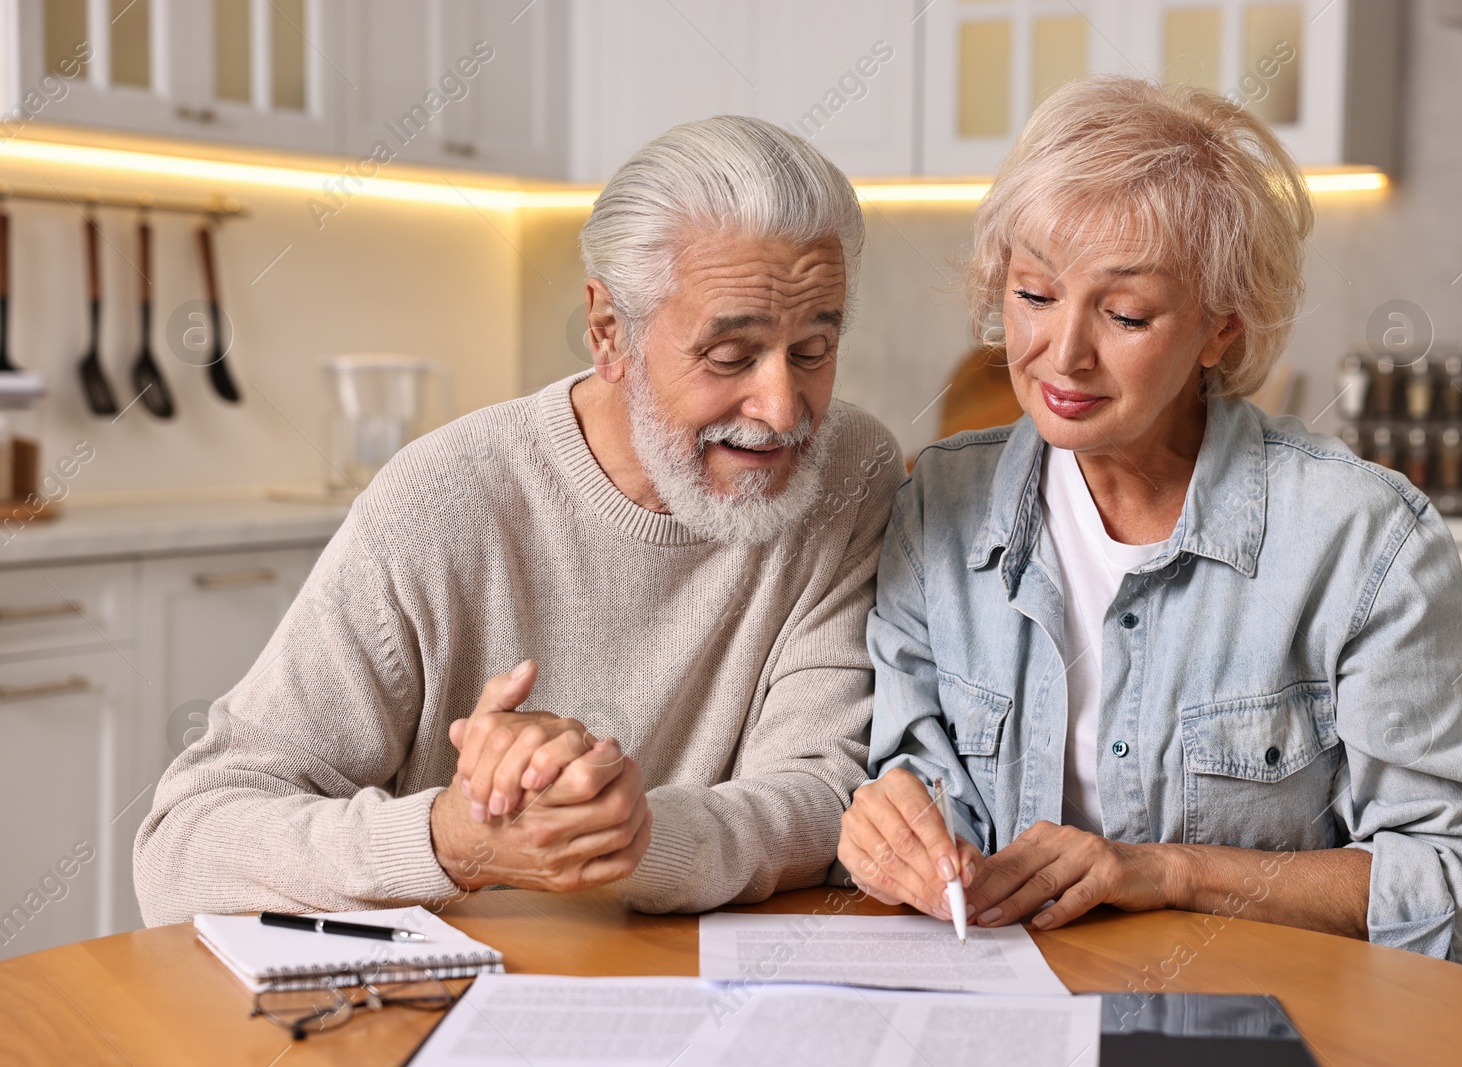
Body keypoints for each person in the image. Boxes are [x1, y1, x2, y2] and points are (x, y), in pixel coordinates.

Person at [836, 76, 1462, 972]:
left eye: (1125, 313)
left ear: (1220, 326)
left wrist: (1167, 871)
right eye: (1033, 295)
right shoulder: (938, 506)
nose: (1063, 353)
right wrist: (892, 825)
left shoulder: (1361, 538)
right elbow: (920, 784)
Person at [134, 115, 903, 925]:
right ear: (609, 333)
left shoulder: (849, 472)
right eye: (731, 356)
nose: (783, 409)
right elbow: (185, 846)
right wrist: (449, 840)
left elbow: (826, 789)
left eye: (814, 351)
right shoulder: (440, 501)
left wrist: (634, 834)